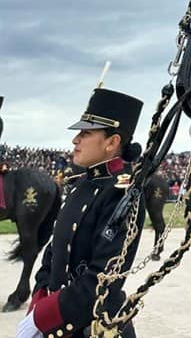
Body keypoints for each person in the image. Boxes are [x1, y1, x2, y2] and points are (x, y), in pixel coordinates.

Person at [17, 86, 145, 338]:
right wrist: (40, 296)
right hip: (58, 318)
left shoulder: (122, 194)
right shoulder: (81, 183)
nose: (75, 140)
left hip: (91, 326)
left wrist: (44, 316)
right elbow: (54, 252)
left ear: (112, 142)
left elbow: (102, 279)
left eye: (85, 133)